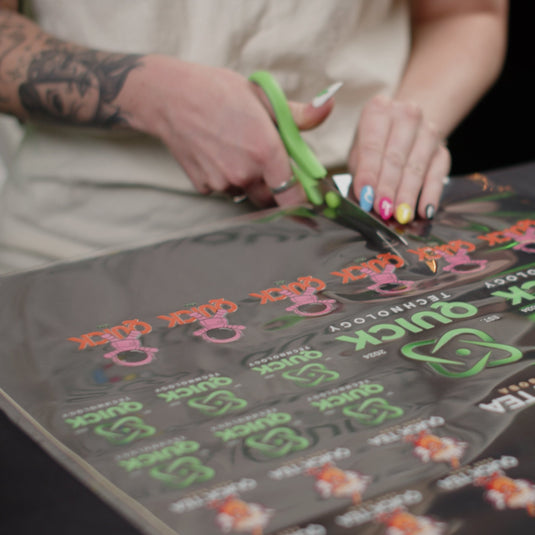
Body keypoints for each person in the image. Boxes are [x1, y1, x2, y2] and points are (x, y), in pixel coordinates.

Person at [0, 0, 508, 274]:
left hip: (349, 249)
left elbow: (466, 12)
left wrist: (413, 118)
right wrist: (151, 95)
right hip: (82, 261)